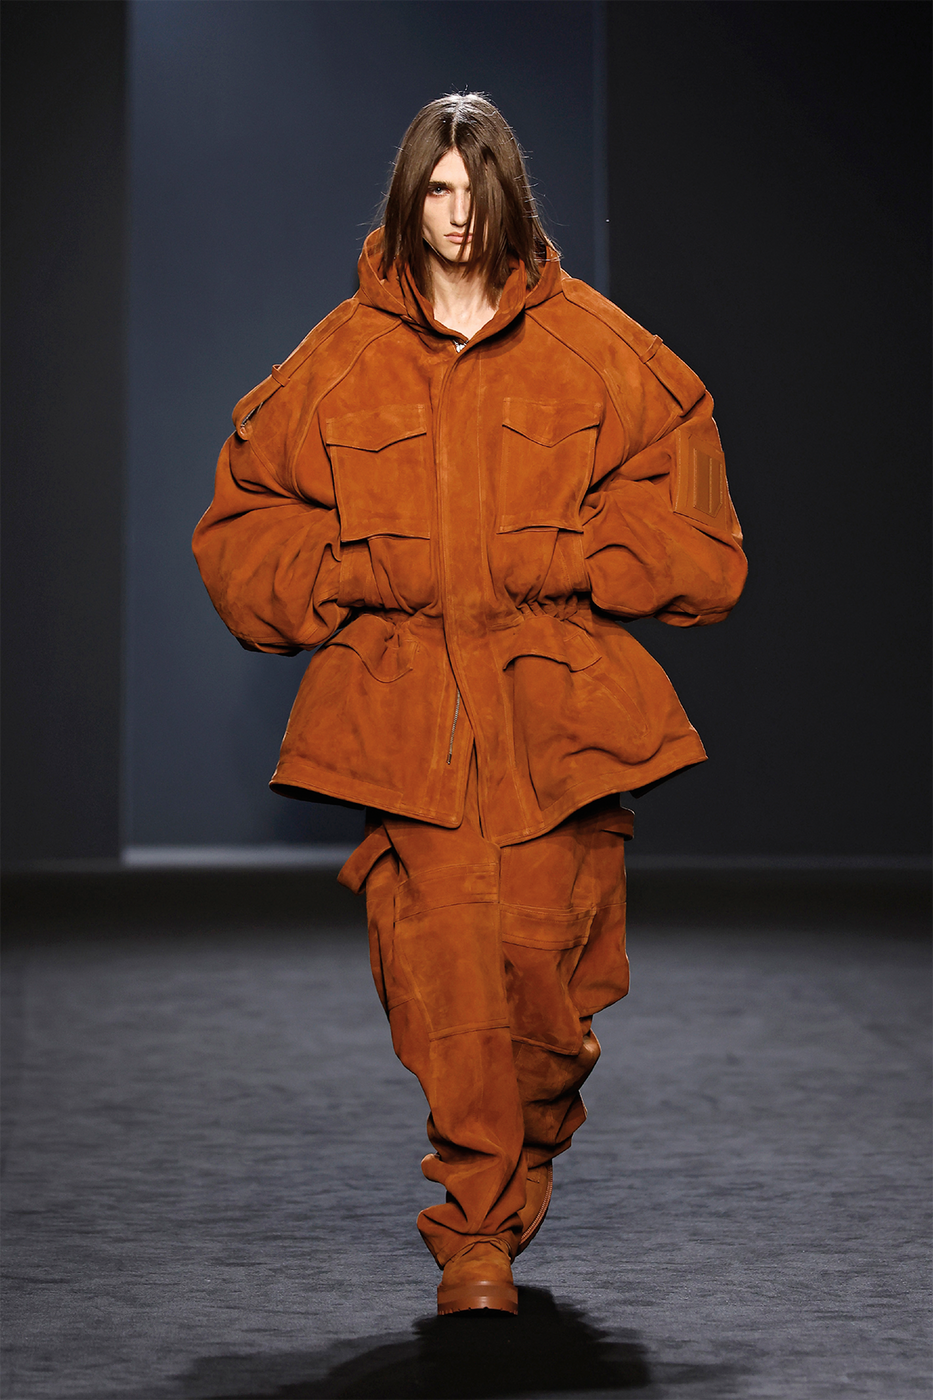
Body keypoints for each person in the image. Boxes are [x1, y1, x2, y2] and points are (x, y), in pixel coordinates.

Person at [192, 92, 747, 1317]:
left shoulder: (596, 347)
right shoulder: (339, 358)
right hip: (407, 724)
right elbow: (239, 532)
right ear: (409, 198)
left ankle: (524, 1145)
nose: (456, 217)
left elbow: (705, 542)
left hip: (559, 719)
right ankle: (477, 1239)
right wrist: (351, 569)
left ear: (510, 198)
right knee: (447, 980)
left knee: (546, 1001)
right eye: (436, 191)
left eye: (475, 190)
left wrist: (579, 555)